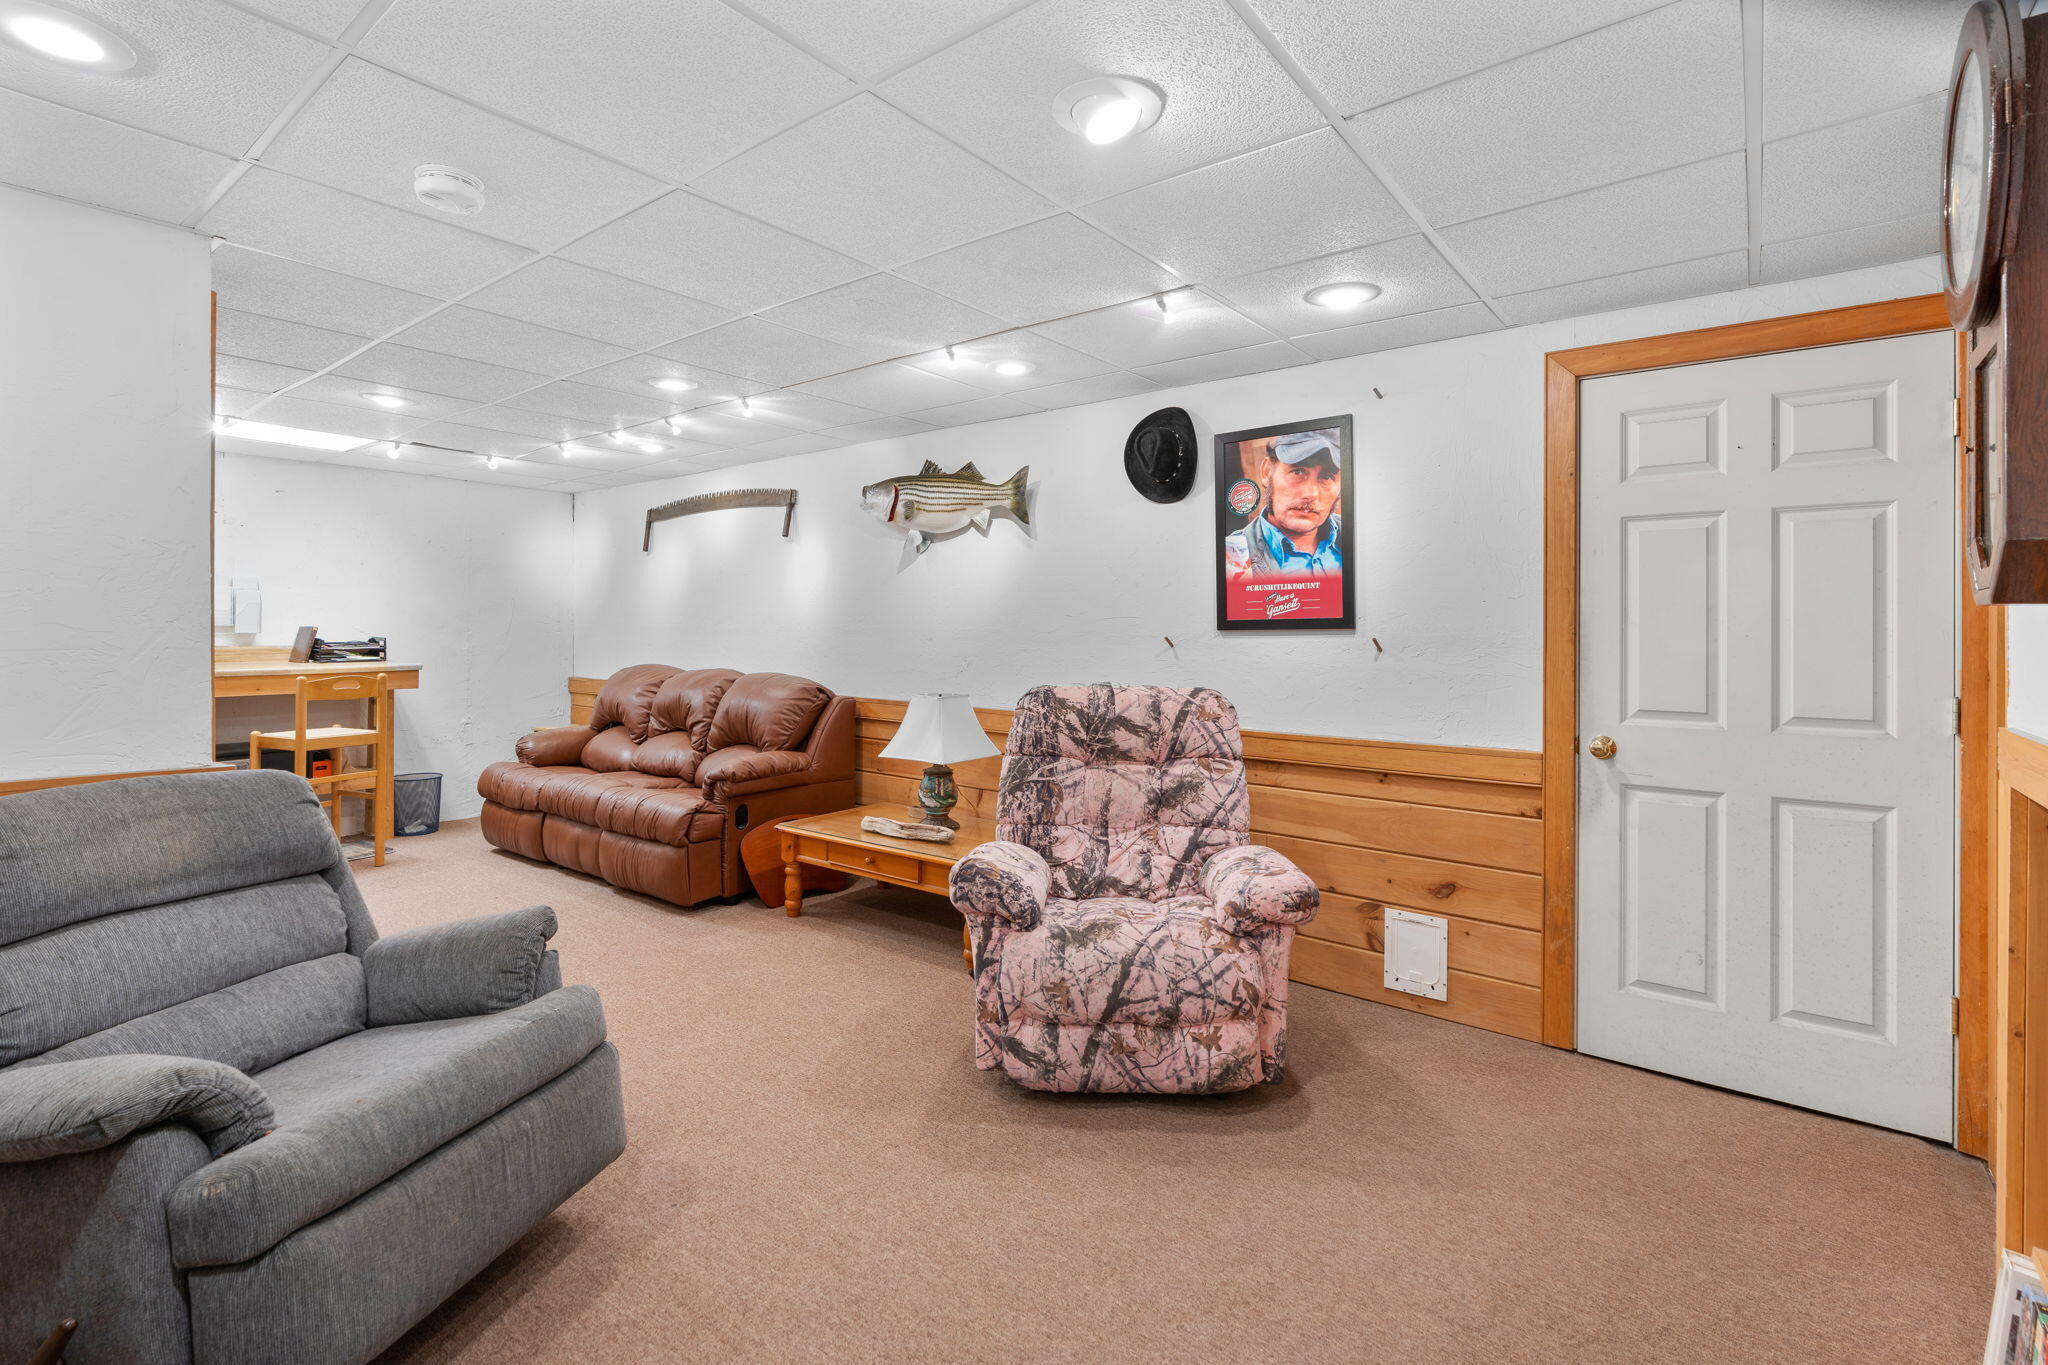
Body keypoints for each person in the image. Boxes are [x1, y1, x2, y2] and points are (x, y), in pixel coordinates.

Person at [1223, 429, 1342, 581]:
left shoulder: (1359, 541)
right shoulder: (1231, 557)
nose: (1310, 493)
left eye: (1327, 476)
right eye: (1298, 472)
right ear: (1267, 472)